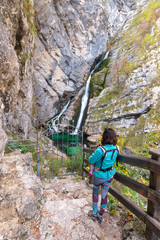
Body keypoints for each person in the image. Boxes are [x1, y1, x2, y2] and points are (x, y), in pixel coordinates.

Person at [88, 128, 119, 223]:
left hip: (98, 176)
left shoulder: (101, 150)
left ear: (104, 137)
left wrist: (96, 151)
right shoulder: (117, 148)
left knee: (95, 192)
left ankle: (94, 212)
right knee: (104, 195)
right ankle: (100, 214)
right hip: (109, 175)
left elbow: (90, 160)